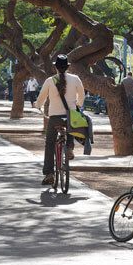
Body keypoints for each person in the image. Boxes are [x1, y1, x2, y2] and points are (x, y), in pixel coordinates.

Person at [35, 54, 85, 186]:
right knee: (70, 128)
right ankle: (69, 148)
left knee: (49, 143)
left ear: (55, 67)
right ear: (67, 67)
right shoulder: (75, 79)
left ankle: (49, 173)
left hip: (54, 117)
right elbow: (82, 96)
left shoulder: (50, 81)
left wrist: (37, 106)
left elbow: (40, 99)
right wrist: (77, 105)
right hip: (71, 116)